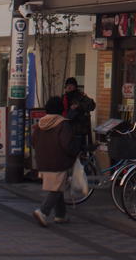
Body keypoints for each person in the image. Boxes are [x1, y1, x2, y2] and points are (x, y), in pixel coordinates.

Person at [31, 96, 80, 226]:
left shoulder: (39, 124)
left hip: (42, 161)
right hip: (59, 161)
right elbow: (67, 145)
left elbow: (32, 142)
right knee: (57, 189)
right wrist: (76, 151)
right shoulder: (63, 124)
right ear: (61, 109)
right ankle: (43, 211)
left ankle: (60, 215)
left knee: (59, 186)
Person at [62, 77, 96, 152]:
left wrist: (79, 106)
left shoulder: (81, 96)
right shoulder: (63, 97)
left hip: (79, 130)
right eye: (67, 85)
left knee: (79, 152)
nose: (69, 87)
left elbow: (92, 105)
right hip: (66, 129)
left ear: (75, 86)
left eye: (71, 85)